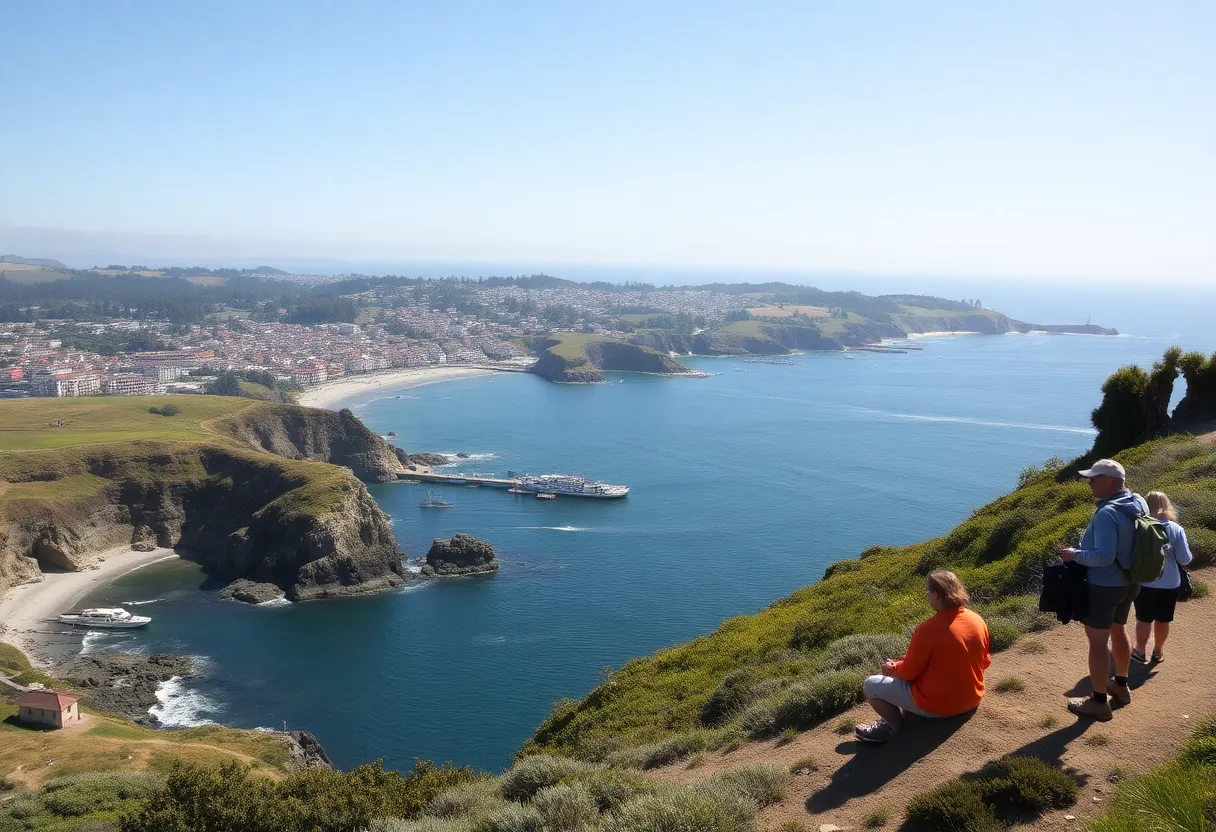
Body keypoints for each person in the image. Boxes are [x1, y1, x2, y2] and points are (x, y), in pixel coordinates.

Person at [855, 570, 991, 744]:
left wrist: (892, 668)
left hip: (939, 707)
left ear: (936, 594)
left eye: (928, 593)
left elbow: (909, 673)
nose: (928, 597)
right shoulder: (977, 620)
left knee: (871, 685)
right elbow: (984, 662)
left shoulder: (927, 630)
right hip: (972, 699)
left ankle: (892, 726)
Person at [1060, 458, 1149, 721]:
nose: (1089, 483)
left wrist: (1075, 555)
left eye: (1094, 478)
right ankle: (1120, 684)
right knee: (1119, 629)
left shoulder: (1107, 513)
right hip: (1130, 581)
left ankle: (1099, 701)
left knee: (1098, 644)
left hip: (1105, 586)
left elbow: (1104, 556)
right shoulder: (1137, 501)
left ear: (1110, 481)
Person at [1131, 491, 1192, 664]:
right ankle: (1157, 652)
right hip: (1170, 583)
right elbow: (1185, 559)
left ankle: (1140, 651)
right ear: (1167, 505)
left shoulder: (1139, 526)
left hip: (1144, 581)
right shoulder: (1176, 529)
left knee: (1143, 618)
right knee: (1163, 619)